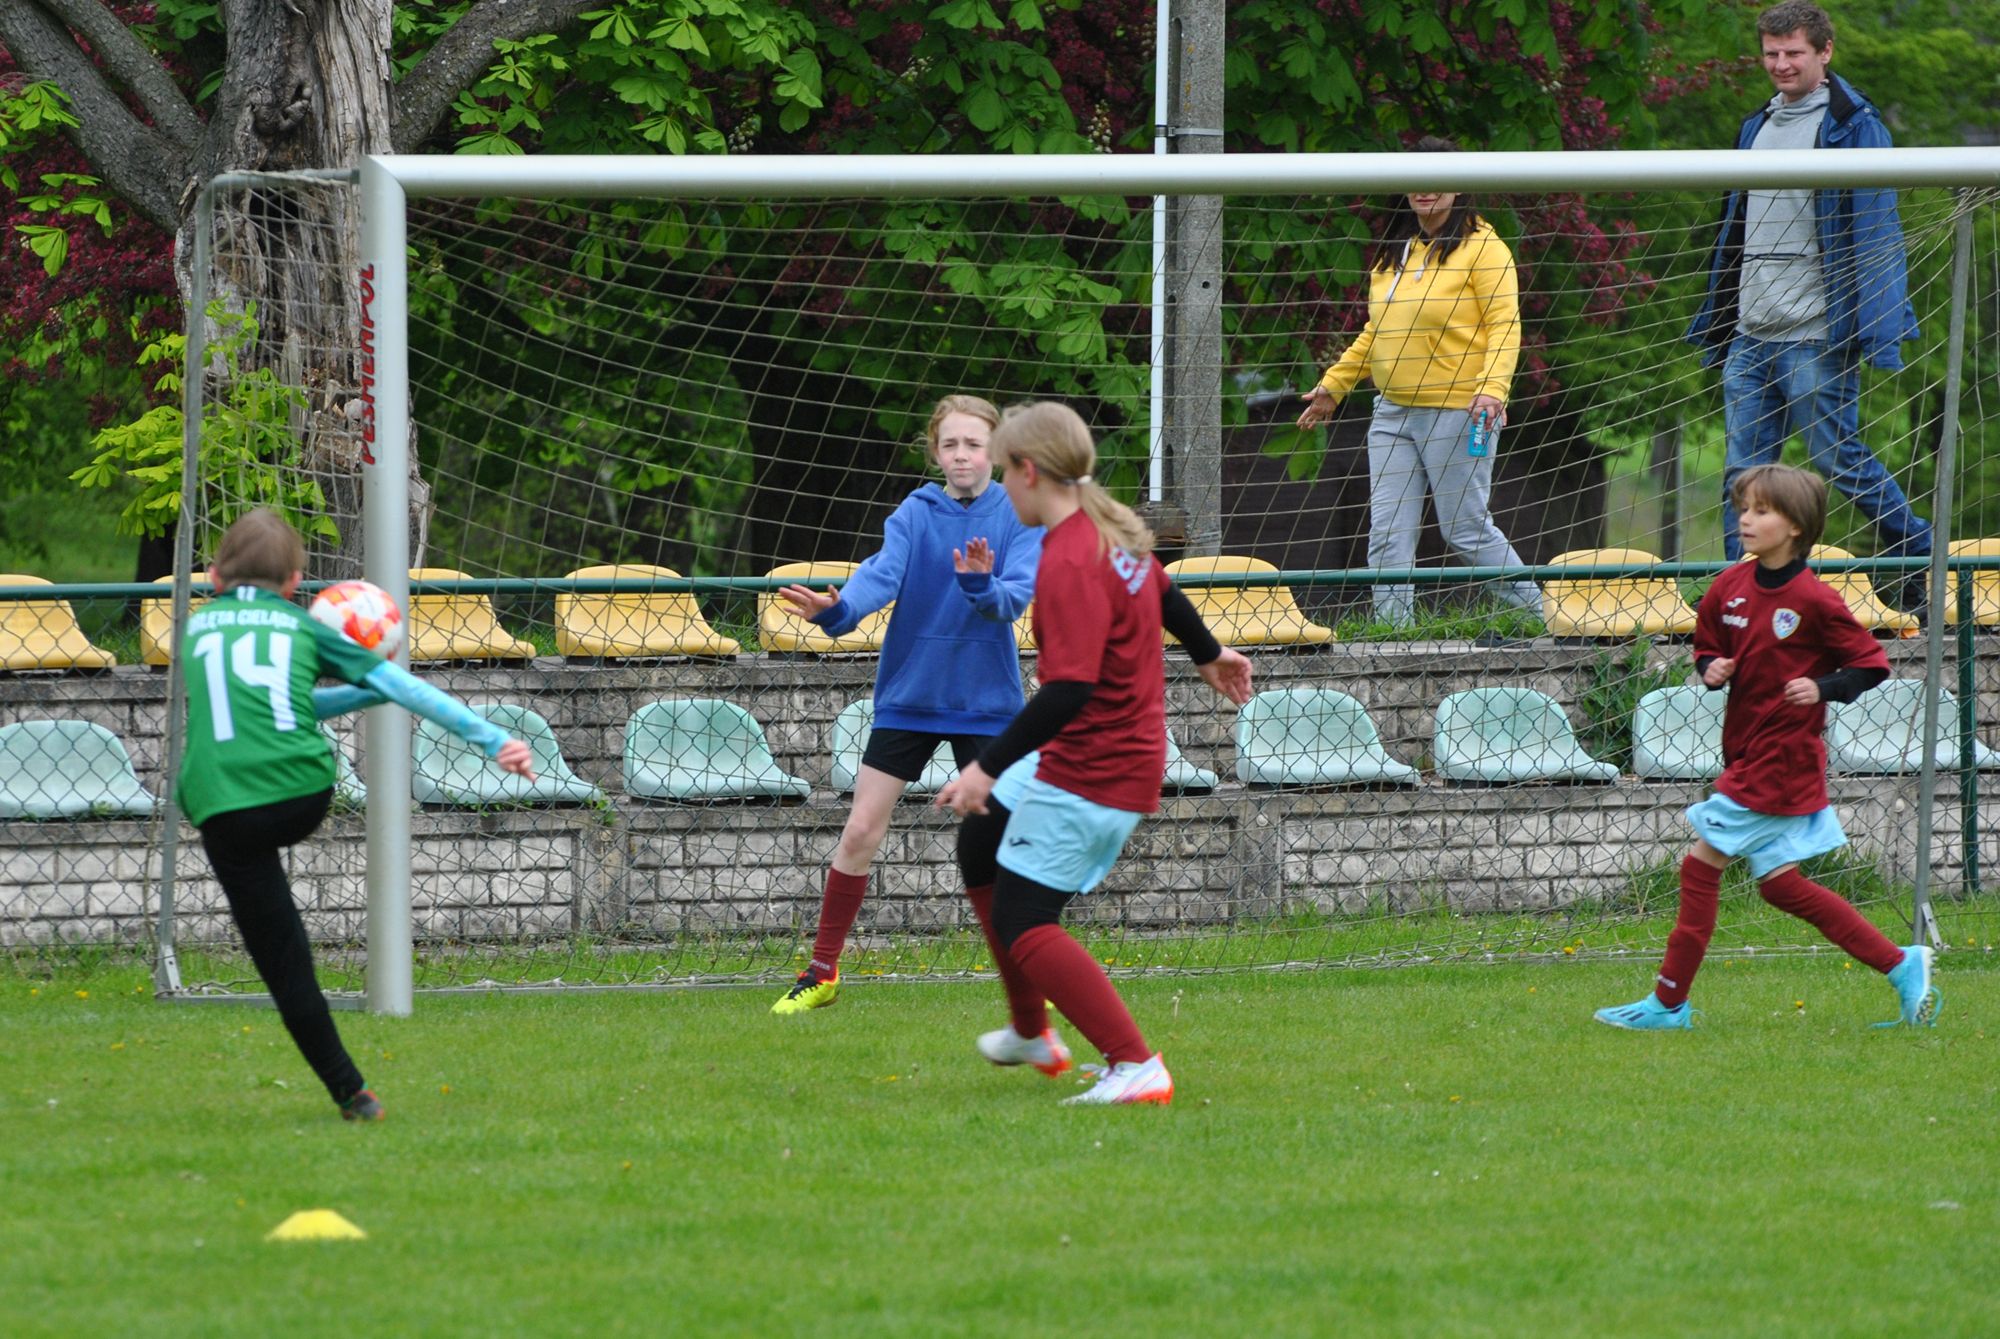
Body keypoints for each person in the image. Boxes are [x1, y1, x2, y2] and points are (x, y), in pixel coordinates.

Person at [937, 402, 1253, 1105]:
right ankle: (1030, 1031)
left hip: (1097, 765)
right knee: (981, 839)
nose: (999, 491)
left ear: (1027, 471)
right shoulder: (1111, 531)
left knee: (1025, 920)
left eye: (1001, 474)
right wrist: (1209, 654)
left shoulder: (1072, 558)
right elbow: (1167, 593)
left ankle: (1135, 1062)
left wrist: (984, 764)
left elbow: (1070, 689)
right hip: (1106, 750)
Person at [177, 509, 537, 1120]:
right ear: (295, 583)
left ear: (213, 577)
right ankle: (356, 1099)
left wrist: (372, 687)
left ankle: (349, 1088)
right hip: (302, 791)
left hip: (223, 809)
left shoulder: (196, 630)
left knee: (282, 957)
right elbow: (379, 695)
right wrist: (489, 736)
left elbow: (275, 705)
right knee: (286, 931)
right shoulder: (301, 627)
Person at [1594, 465, 1939, 1031]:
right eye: (1743, 508)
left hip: (1782, 759)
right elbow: (1707, 645)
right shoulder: (1730, 587)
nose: (1746, 519)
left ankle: (1668, 1004)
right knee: (1781, 887)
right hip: (1747, 751)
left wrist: (1822, 688)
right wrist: (1712, 669)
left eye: (1761, 511)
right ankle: (1902, 965)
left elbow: (1871, 664)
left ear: (1797, 526)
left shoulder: (1815, 598)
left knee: (1699, 867)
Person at [771, 395, 1043, 1015]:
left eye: (974, 444)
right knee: (861, 828)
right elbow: (878, 576)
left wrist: (979, 583)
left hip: (987, 705)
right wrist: (835, 612)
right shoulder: (915, 513)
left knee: (1004, 845)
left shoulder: (1018, 515)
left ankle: (1027, 979)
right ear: (936, 452)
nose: (962, 455)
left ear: (994, 451)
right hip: (909, 697)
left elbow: (1013, 599)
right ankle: (822, 972)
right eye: (950, 445)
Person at [1686, 1, 1931, 610]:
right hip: (1750, 327)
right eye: (1771, 53)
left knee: (1837, 458)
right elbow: (1736, 230)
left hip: (1815, 332)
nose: (1781, 64)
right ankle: (1740, 595)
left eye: (1794, 52)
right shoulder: (1756, 125)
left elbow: (1876, 232)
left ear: (1825, 52)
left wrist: (1874, 328)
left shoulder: (1855, 125)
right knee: (1740, 475)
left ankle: (1920, 552)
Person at [1297, 136, 1541, 630]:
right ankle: (1392, 639)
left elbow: (1504, 325)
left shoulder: (1485, 248)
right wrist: (1334, 386)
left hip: (1459, 412)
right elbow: (1377, 331)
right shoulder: (1396, 252)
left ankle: (1547, 617)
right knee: (1387, 534)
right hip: (1391, 414)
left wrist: (1493, 389)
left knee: (1463, 528)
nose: (1424, 189)